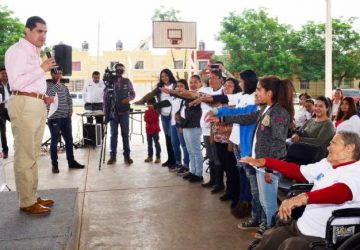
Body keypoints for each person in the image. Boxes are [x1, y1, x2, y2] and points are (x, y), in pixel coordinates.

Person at [206, 75, 295, 238]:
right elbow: (245, 117)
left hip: (267, 165)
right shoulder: (266, 109)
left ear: (269, 93)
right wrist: (221, 117)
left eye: (259, 90)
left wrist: (269, 167)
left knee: (268, 204)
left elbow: (278, 142)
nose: (257, 93)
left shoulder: (278, 112)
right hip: (261, 164)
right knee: (264, 200)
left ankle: (271, 233)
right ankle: (269, 228)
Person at [241, 131, 360, 250]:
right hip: (303, 225)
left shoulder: (355, 172)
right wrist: (266, 162)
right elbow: (297, 171)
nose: (328, 147)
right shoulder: (326, 164)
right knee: (271, 236)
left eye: (333, 143)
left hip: (323, 236)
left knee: (290, 246)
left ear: (349, 148)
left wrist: (303, 198)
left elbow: (341, 192)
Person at [5, 16, 56, 215]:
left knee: (33, 155)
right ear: (27, 31)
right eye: (39, 31)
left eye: (45, 32)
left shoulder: (34, 53)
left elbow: (31, 82)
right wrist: (42, 68)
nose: (43, 36)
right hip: (24, 104)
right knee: (25, 155)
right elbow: (17, 83)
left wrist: (43, 97)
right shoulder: (18, 51)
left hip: (35, 103)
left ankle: (32, 196)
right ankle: (26, 201)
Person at [134, 69, 176, 167]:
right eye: (162, 76)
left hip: (173, 116)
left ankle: (176, 161)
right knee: (167, 138)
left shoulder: (175, 86)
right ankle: (170, 159)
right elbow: (151, 94)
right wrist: (141, 101)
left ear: (170, 75)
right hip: (164, 116)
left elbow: (169, 102)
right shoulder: (160, 87)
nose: (164, 78)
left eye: (166, 75)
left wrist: (155, 106)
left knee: (173, 139)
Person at [46, 67, 85, 173]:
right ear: (51, 74)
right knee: (54, 142)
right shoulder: (47, 85)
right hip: (54, 119)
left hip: (65, 118)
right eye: (56, 74)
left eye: (60, 73)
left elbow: (69, 99)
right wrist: (57, 85)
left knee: (69, 141)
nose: (59, 75)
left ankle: (71, 162)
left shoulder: (64, 86)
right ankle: (55, 165)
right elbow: (49, 96)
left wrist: (70, 110)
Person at [104, 63, 135, 165]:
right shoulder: (110, 82)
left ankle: (127, 155)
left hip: (124, 112)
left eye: (122, 69)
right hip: (113, 112)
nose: (120, 71)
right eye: (118, 69)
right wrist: (106, 113)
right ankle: (113, 156)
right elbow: (105, 97)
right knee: (113, 135)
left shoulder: (127, 81)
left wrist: (128, 98)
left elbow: (133, 94)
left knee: (125, 134)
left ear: (123, 70)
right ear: (115, 69)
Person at [144, 98, 161, 163]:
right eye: (148, 104)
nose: (149, 105)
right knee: (149, 144)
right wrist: (148, 119)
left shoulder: (156, 111)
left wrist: (148, 119)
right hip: (148, 130)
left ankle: (158, 157)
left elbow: (153, 119)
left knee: (156, 143)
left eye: (151, 104)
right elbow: (145, 119)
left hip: (155, 130)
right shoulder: (146, 111)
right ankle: (150, 157)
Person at [0, 67, 11, 159]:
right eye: (3, 73)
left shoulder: (12, 84)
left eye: (6, 74)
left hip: (12, 109)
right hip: (1, 110)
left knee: (20, 127)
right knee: (3, 131)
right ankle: (5, 150)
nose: (5, 75)